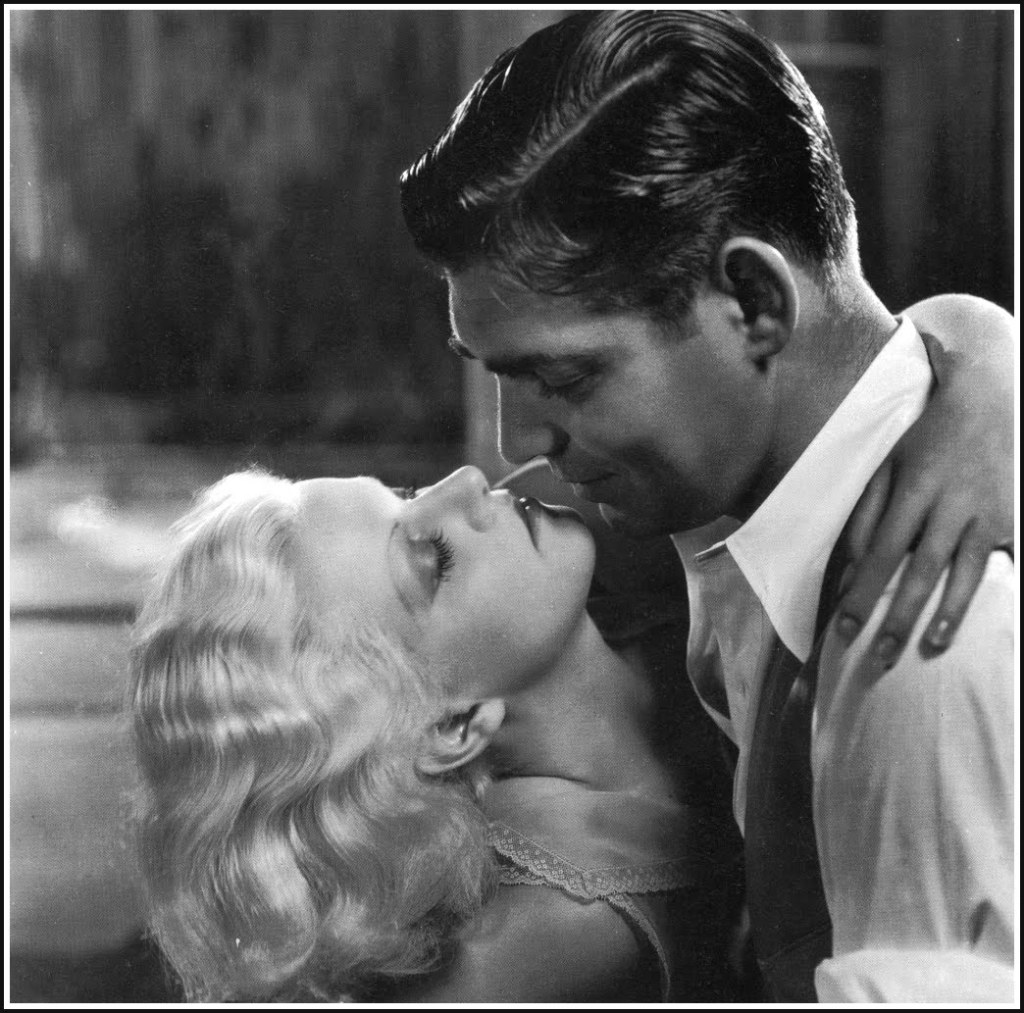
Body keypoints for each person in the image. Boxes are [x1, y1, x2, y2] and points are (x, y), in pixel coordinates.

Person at [399, 10, 1014, 1002]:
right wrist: (980, 338)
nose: (518, 444)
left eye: (566, 376)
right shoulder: (708, 498)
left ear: (755, 303)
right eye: (495, 373)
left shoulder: (922, 641)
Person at [130, 467, 743, 1002]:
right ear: (451, 726)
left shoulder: (597, 514)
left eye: (407, 495)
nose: (470, 482)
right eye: (435, 562)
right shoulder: (560, 924)